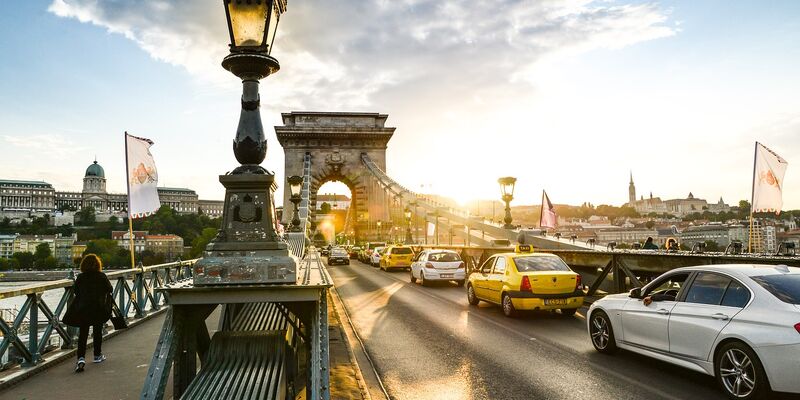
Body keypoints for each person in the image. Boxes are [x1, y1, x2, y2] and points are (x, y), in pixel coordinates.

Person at [73, 254, 113, 372]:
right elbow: (109, 289)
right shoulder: (101, 276)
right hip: (98, 307)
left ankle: (81, 358)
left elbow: (76, 291)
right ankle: (97, 355)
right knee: (97, 331)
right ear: (97, 265)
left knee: (83, 333)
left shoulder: (81, 277)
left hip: (84, 308)